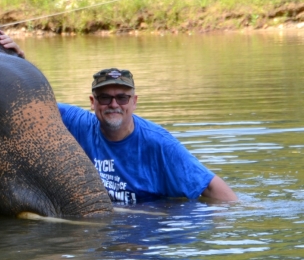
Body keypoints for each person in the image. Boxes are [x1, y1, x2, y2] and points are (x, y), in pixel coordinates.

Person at [58, 68, 238, 204]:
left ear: (134, 102)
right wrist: (27, 63)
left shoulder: (160, 144)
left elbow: (209, 185)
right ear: (92, 102)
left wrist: (235, 216)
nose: (114, 104)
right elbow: (36, 104)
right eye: (105, 98)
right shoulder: (78, 123)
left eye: (122, 98)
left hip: (149, 231)